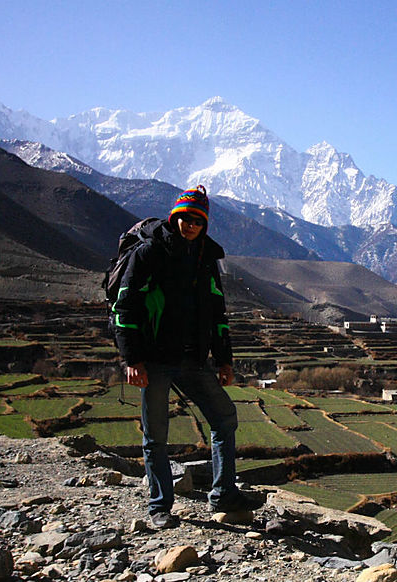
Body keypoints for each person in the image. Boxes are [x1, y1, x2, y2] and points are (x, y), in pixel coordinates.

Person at [112, 185, 261, 529]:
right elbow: (125, 307)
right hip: (154, 359)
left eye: (198, 220)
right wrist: (131, 359)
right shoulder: (149, 253)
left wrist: (224, 360)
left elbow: (217, 312)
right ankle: (160, 506)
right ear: (175, 216)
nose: (191, 224)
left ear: (205, 224)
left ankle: (224, 493)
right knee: (156, 436)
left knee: (224, 418)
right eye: (186, 217)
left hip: (194, 359)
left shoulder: (205, 257)